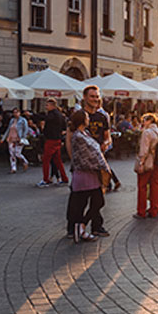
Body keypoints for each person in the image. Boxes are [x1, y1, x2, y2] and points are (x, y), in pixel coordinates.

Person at [67, 110, 111, 242]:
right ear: (82, 120)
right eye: (86, 117)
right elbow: (92, 154)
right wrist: (105, 168)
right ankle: (79, 228)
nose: (88, 119)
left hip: (91, 175)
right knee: (84, 203)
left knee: (96, 201)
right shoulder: (78, 136)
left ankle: (81, 227)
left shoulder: (83, 134)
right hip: (85, 175)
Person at [134, 113, 158, 219]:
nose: (143, 123)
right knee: (155, 186)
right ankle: (154, 210)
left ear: (149, 121)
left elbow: (144, 150)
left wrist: (141, 162)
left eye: (144, 120)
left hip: (148, 162)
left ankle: (141, 212)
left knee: (142, 186)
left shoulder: (147, 132)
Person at [38, 99, 68, 187]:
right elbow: (64, 128)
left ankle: (46, 179)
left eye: (47, 105)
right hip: (58, 139)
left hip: (51, 139)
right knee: (58, 160)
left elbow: (46, 126)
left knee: (46, 160)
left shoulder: (51, 115)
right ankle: (64, 178)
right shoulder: (60, 115)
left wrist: (44, 129)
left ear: (52, 106)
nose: (46, 107)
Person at [2, 108, 30, 174]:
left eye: (17, 112)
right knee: (12, 154)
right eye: (14, 112)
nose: (15, 114)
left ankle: (25, 161)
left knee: (17, 153)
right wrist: (3, 138)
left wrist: (23, 137)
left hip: (18, 138)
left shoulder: (23, 120)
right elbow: (8, 129)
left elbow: (26, 129)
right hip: (11, 138)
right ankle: (13, 168)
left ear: (20, 113)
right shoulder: (12, 120)